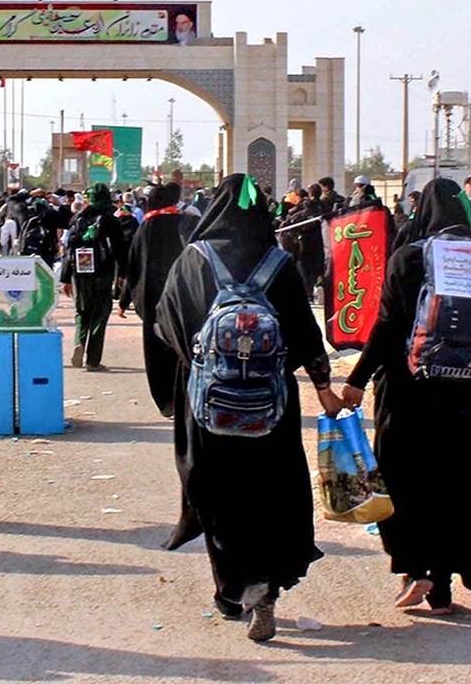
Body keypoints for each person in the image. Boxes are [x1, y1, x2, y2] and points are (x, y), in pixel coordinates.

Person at [156, 174, 341, 641]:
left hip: (209, 405)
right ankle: (268, 586)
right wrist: (324, 390)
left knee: (220, 494)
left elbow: (167, 325)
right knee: (269, 492)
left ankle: (233, 587)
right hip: (270, 406)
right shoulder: (278, 262)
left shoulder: (193, 260)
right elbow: (304, 333)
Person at [341, 178, 471, 614]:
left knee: (417, 484)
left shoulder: (409, 258)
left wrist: (357, 378)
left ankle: (431, 579)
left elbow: (388, 329)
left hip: (415, 397)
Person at [118, 183, 198, 416]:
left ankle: (165, 400)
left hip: (151, 302)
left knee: (156, 350)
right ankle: (184, 396)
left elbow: (133, 267)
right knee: (181, 346)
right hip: (181, 300)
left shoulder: (145, 228)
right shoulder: (184, 224)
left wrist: (124, 301)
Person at [61, 183, 128, 371]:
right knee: (100, 313)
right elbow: (120, 250)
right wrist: (122, 274)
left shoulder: (77, 218)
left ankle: (79, 341)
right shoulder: (111, 221)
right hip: (103, 273)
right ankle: (93, 360)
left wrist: (66, 279)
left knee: (82, 311)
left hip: (80, 273)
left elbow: (69, 249)